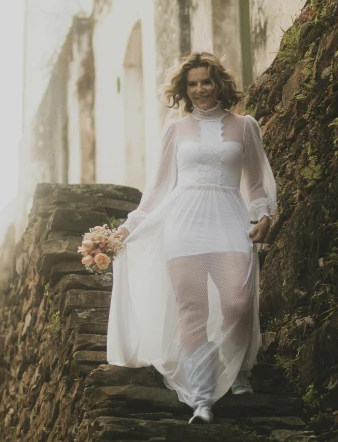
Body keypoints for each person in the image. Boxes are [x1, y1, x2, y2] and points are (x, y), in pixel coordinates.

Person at [107, 52, 277, 424]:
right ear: (184, 90)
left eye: (207, 81)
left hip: (230, 220)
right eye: (193, 84)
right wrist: (125, 230)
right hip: (183, 226)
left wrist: (263, 215)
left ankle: (235, 368)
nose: (201, 89)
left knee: (237, 301)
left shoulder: (245, 126)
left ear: (219, 83)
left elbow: (256, 184)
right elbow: (156, 191)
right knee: (193, 310)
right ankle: (201, 398)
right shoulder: (175, 131)